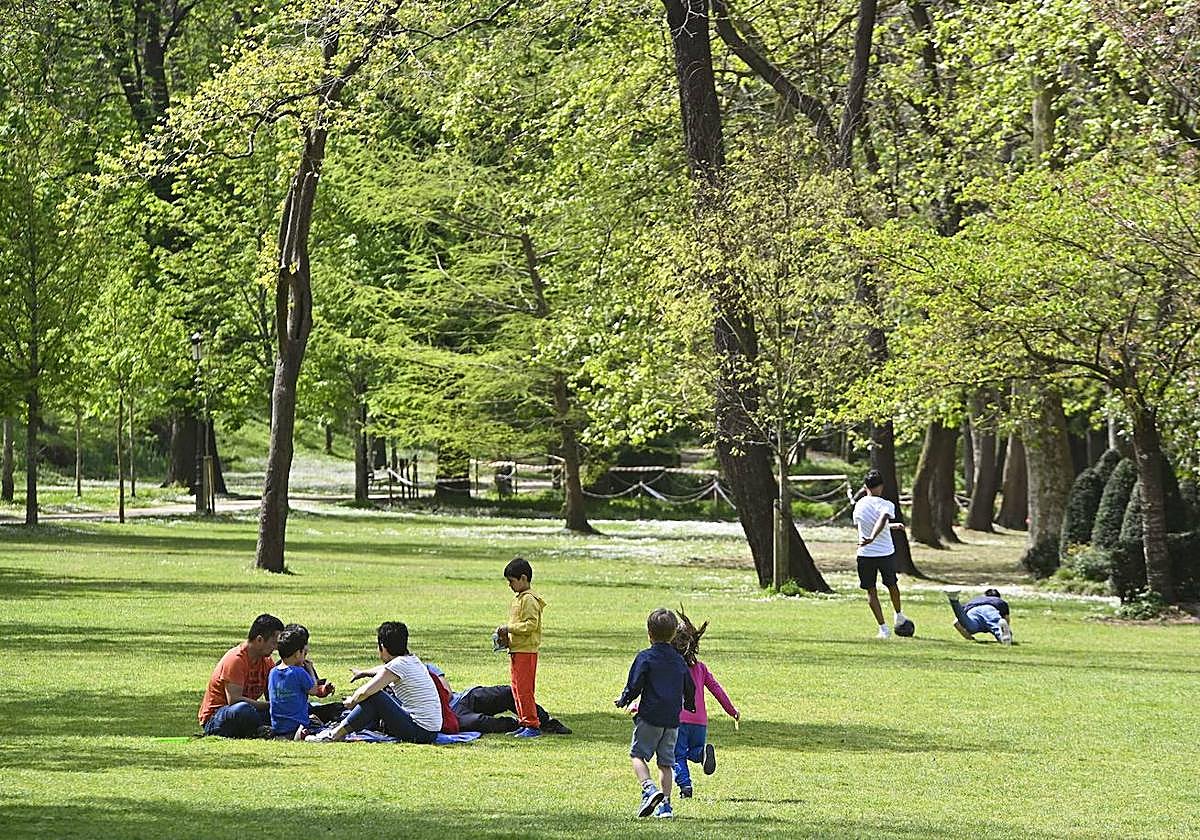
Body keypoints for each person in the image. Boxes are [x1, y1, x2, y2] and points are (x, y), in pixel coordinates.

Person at [615, 608, 696, 820]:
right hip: (672, 720)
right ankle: (666, 807)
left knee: (637, 755)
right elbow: (690, 686)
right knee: (666, 764)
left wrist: (624, 699)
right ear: (673, 634)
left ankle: (648, 788)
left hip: (650, 717)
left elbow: (635, 684)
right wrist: (689, 705)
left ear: (649, 633)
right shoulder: (679, 660)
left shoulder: (645, 657)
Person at [306, 622, 442, 743]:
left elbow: (365, 692)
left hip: (420, 733)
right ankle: (343, 728)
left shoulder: (398, 665)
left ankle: (334, 735)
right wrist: (363, 673)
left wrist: (351, 702)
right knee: (379, 697)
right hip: (430, 732)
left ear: (382, 646)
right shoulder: (411, 660)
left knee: (375, 696)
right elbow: (384, 670)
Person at [671, 608, 739, 799]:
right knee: (693, 751)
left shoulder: (671, 668)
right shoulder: (701, 668)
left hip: (677, 719)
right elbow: (717, 690)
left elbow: (658, 691)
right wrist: (732, 710)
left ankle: (685, 787)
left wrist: (638, 705)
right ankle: (702, 755)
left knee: (677, 755)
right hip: (700, 722)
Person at [198, 613, 284, 737]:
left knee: (285, 710)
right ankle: (261, 730)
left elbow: (271, 696)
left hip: (250, 713)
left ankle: (261, 729)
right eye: (273, 643)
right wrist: (271, 706)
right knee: (243, 709)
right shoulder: (236, 659)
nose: (275, 648)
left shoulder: (266, 662)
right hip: (218, 717)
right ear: (259, 640)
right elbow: (234, 700)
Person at [854, 470, 911, 638]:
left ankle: (883, 628)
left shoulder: (859, 505)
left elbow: (866, 524)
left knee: (871, 591)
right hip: (885, 553)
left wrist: (891, 527)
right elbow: (882, 519)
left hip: (865, 554)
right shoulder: (886, 504)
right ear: (881, 487)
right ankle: (898, 614)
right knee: (892, 585)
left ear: (865, 487)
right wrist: (873, 536)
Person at [494, 557, 546, 738]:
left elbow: (531, 625)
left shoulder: (529, 599)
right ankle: (523, 721)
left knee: (525, 690)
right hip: (516, 650)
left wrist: (509, 628)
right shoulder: (519, 598)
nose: (510, 585)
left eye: (511, 581)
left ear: (523, 578)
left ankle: (532, 724)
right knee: (516, 688)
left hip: (526, 651)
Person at [432, 668, 571, 735]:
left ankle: (546, 722)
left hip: (463, 699)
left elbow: (447, 694)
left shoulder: (428, 668)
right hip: (450, 715)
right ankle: (516, 725)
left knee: (507, 693)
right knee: (477, 721)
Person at [269, 627, 328, 739]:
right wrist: (310, 670)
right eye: (303, 653)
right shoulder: (299, 672)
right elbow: (314, 690)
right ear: (297, 654)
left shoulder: (272, 672)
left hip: (278, 726)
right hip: (296, 724)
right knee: (321, 726)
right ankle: (300, 733)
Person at [944, 587, 1014, 645]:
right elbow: (1006, 618)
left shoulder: (975, 600)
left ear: (985, 596)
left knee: (969, 627)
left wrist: (970, 639)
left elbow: (956, 623)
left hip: (973, 612)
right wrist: (1006, 629)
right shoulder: (999, 601)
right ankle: (1003, 637)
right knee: (996, 626)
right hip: (989, 610)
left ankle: (954, 600)